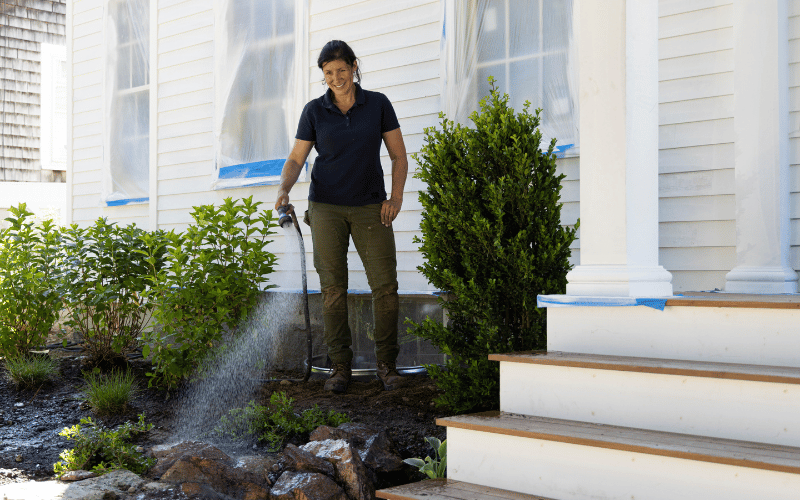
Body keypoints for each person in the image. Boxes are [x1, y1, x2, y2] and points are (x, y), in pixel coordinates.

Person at [274, 40, 409, 394]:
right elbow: (296, 158)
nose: (336, 79)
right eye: (328, 73)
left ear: (354, 67)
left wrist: (394, 198)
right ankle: (339, 368)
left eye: (341, 71)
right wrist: (284, 188)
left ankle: (387, 366)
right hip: (326, 209)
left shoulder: (377, 104)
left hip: (370, 206)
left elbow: (398, 156)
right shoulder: (314, 111)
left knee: (385, 286)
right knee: (333, 289)